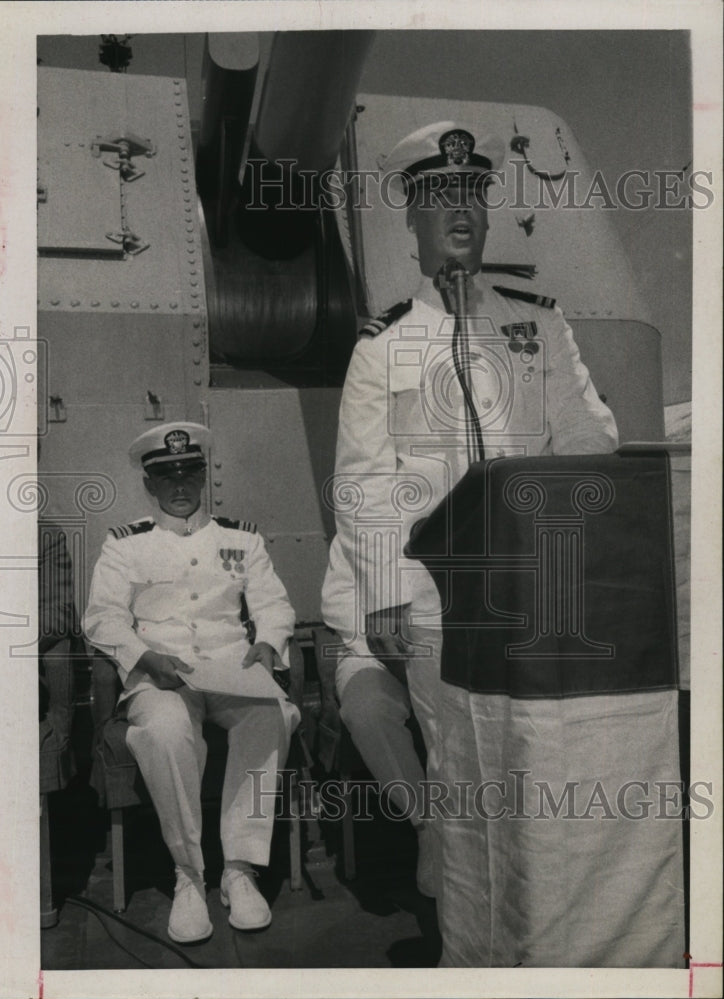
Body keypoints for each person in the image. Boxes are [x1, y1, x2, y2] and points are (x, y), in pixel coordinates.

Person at [321, 122, 618, 900]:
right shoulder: (381, 346)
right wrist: (385, 592)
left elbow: (589, 440)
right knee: (458, 767)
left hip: (535, 591)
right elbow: (363, 481)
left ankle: (541, 919)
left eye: (472, 195)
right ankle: (464, 928)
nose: (459, 210)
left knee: (541, 761)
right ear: (412, 218)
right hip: (434, 600)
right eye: (439, 196)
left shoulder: (539, 323)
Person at [84, 422, 298, 943]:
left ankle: (240, 870)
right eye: (167, 476)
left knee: (270, 714)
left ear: (202, 477)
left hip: (232, 669)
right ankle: (189, 875)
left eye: (188, 473)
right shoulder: (125, 545)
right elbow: (102, 618)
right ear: (149, 484)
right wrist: (143, 656)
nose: (179, 485)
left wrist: (269, 643)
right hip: (161, 675)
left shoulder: (240, 538)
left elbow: (273, 604)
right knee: (165, 732)